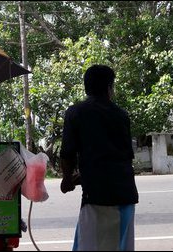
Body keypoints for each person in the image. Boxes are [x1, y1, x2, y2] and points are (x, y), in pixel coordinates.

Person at [60, 64, 139, 251]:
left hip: (98, 197)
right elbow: (121, 156)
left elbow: (67, 152)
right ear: (109, 88)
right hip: (125, 193)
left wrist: (66, 180)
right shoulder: (122, 115)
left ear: (87, 87)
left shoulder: (76, 112)